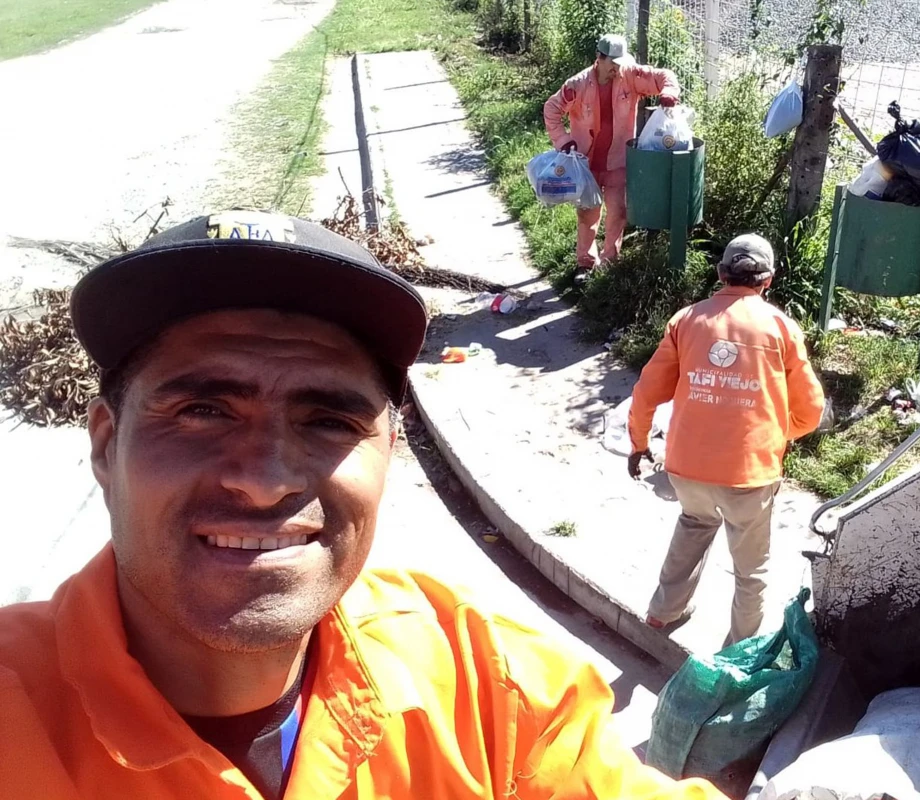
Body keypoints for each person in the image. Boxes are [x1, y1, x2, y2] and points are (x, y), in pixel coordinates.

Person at [0, 211, 725, 799]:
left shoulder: (492, 689)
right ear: (104, 444)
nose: (264, 479)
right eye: (202, 410)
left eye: (328, 421)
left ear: (390, 453)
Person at [626, 234, 826, 647]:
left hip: (687, 467)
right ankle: (737, 648)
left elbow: (647, 391)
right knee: (750, 570)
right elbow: (811, 410)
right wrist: (776, 433)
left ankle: (663, 613)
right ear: (768, 280)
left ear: (721, 274)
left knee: (694, 523)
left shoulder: (687, 320)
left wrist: (639, 444)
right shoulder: (781, 328)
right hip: (749, 474)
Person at [544, 34, 681, 279]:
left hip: (618, 160)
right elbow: (552, 109)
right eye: (612, 64)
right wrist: (563, 141)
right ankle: (585, 263)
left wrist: (669, 91)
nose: (616, 69)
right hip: (586, 163)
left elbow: (663, 76)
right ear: (599, 58)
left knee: (618, 210)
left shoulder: (629, 75)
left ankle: (609, 262)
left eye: (620, 63)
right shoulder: (577, 84)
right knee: (588, 211)